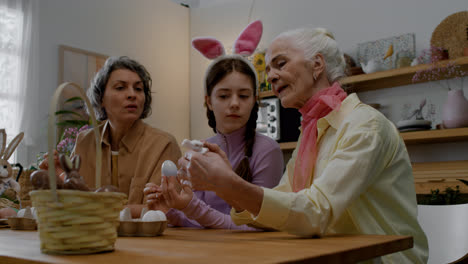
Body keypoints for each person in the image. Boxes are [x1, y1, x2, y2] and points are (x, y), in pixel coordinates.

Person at [177, 27, 428, 263]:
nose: (272, 76)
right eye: (269, 70)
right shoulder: (313, 130)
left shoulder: (364, 125)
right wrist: (227, 189)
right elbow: (284, 205)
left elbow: (316, 212)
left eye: (280, 64)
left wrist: (229, 184)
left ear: (317, 64)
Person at [144, 20, 284, 230]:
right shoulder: (199, 151)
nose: (234, 103)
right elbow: (195, 223)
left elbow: (257, 227)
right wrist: (171, 209)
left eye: (244, 96)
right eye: (224, 95)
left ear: (255, 100)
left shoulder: (267, 151)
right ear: (209, 101)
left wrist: (190, 208)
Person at [40, 56, 181, 218]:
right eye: (120, 88)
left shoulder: (163, 144)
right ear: (101, 99)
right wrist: (56, 174)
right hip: (89, 235)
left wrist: (91, 207)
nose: (132, 95)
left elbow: (162, 209)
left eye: (138, 89)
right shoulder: (84, 141)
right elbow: (73, 196)